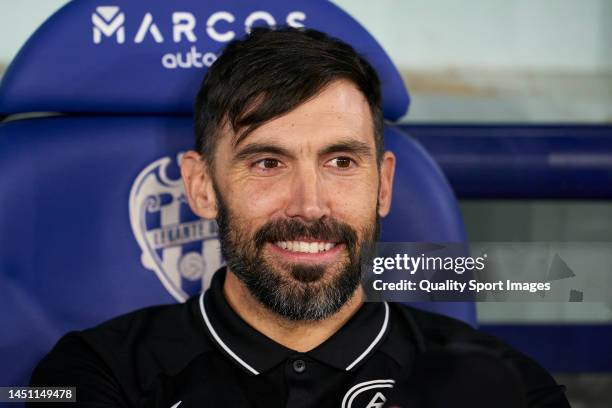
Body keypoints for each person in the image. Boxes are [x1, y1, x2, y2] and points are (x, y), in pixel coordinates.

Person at [29, 27, 570, 408]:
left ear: (382, 184)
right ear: (201, 187)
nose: (309, 205)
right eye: (267, 162)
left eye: (340, 162)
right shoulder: (95, 374)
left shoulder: (509, 384)